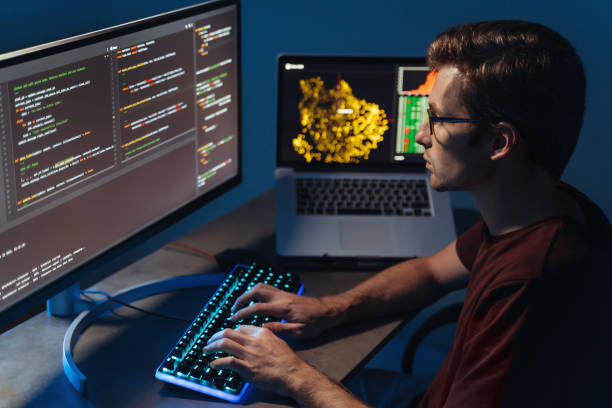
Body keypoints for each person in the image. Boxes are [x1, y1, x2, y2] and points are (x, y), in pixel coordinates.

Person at [204, 20, 612, 407]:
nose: (420, 136)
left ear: (498, 141)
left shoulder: (532, 279)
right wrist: (330, 309)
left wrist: (293, 375)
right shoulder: (543, 206)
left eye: (436, 119)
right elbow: (433, 272)